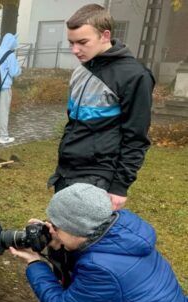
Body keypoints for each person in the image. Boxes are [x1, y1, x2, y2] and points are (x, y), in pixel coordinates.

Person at [8, 183, 188, 302]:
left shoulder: (102, 268)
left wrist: (35, 263)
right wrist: (58, 245)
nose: (52, 230)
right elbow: (79, 287)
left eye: (57, 226)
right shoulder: (119, 234)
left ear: (76, 228)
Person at [49, 4, 154, 210]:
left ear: (105, 36)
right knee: (60, 237)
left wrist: (120, 186)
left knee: (84, 240)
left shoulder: (135, 76)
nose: (75, 50)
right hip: (66, 170)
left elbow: (136, 138)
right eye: (71, 43)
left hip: (98, 176)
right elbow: (74, 123)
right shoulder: (81, 70)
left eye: (82, 42)